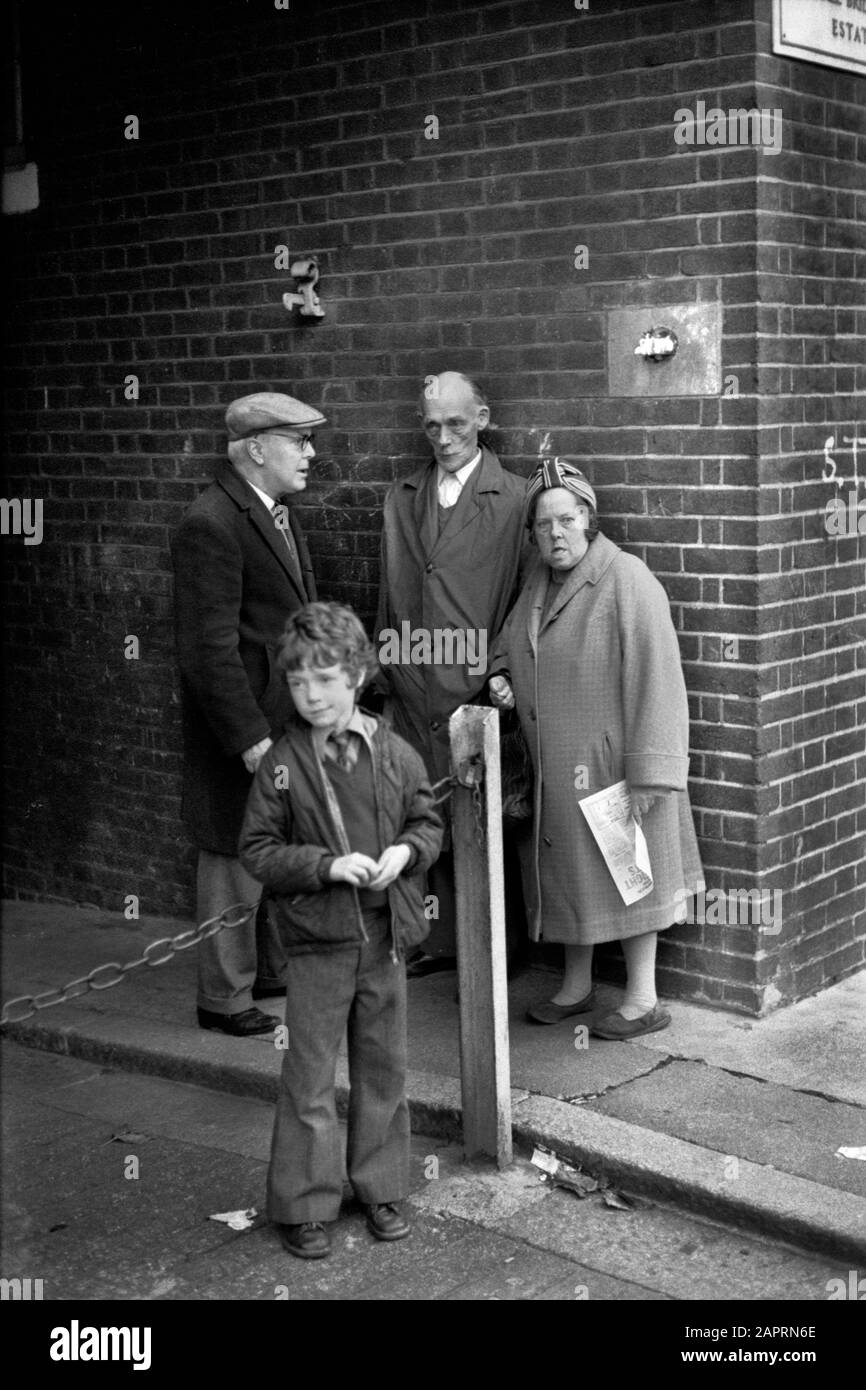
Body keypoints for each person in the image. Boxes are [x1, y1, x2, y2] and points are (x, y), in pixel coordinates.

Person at [238, 602, 443, 1260]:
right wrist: (326, 866)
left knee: (384, 1071)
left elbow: (427, 823)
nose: (311, 695)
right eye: (297, 683)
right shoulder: (282, 763)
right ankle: (304, 1203)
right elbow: (259, 851)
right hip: (318, 946)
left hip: (385, 945)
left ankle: (380, 1188)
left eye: (325, 679)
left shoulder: (396, 753)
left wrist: (406, 855)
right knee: (309, 1079)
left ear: (357, 675)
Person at [489, 458, 704, 1038]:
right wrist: (502, 676)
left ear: (588, 518)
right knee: (567, 876)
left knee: (631, 878)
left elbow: (659, 679)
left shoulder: (627, 579)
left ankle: (643, 998)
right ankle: (577, 986)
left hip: (616, 769)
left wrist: (652, 774)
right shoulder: (538, 580)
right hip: (556, 767)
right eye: (542, 525)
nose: (554, 534)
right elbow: (510, 645)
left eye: (566, 520)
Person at [171, 391, 322, 1037]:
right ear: (257, 449)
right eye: (300, 441)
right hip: (244, 730)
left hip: (279, 720)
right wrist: (250, 737)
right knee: (232, 853)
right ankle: (223, 998)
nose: (312, 453)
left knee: (268, 845)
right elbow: (208, 648)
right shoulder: (211, 521)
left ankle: (266, 972)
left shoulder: (274, 512)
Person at [375, 370, 527, 976]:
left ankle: (492, 956)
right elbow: (390, 590)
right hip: (413, 686)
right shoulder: (401, 495)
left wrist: (499, 670)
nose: (443, 437)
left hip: (475, 689)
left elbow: (523, 594)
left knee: (486, 824)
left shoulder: (515, 498)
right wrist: (389, 668)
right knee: (422, 811)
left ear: (483, 419)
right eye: (432, 425)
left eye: (457, 423)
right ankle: (439, 942)